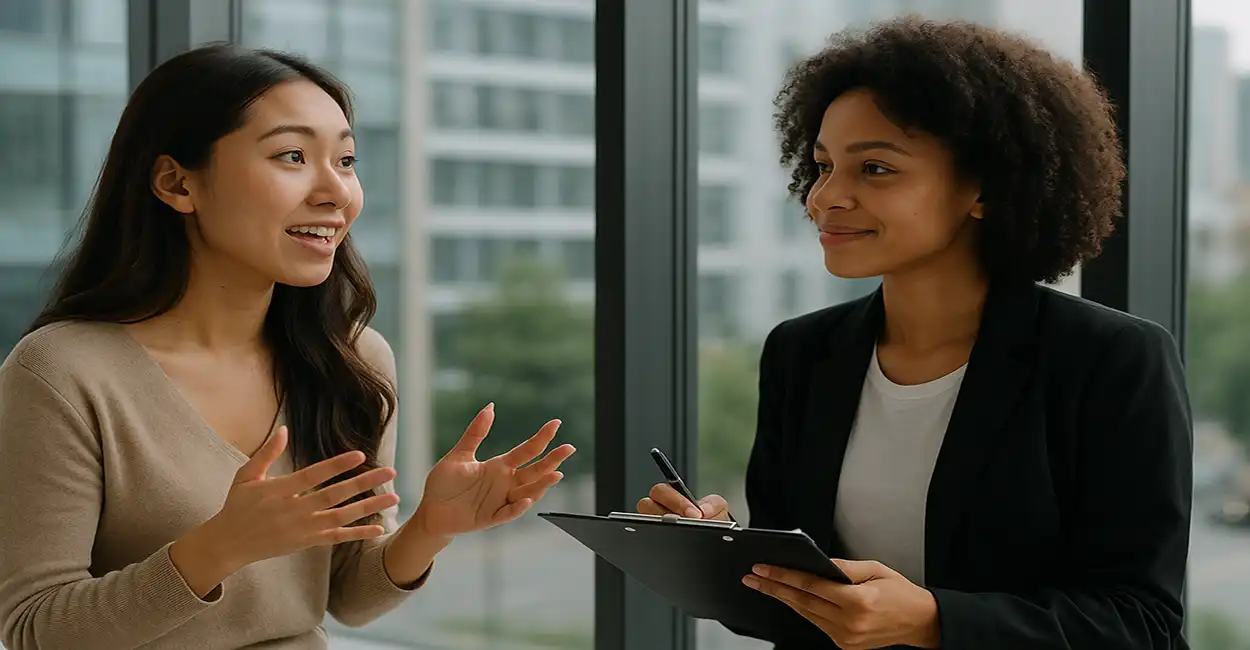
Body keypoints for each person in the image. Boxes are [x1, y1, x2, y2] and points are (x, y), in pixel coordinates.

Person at [639, 16, 1191, 650]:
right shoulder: (802, 352)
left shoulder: (1111, 359)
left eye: (874, 168)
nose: (826, 197)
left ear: (982, 188)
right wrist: (716, 549)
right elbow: (790, 604)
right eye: (822, 165)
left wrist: (933, 621)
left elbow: (1140, 623)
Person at [0, 44, 574, 650]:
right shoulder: (61, 373)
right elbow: (35, 630)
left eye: (347, 160)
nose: (335, 192)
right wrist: (218, 548)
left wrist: (431, 529)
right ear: (176, 183)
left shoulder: (352, 360)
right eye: (292, 156)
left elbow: (346, 598)